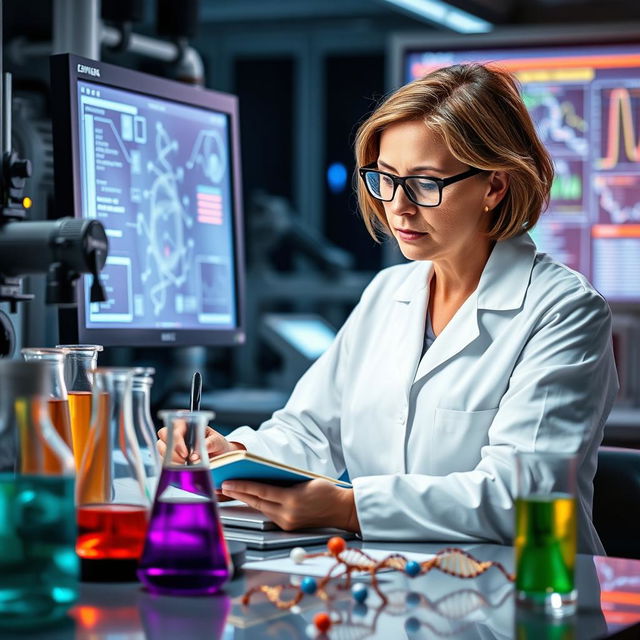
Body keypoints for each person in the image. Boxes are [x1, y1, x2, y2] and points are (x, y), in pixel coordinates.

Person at [158, 63, 618, 553]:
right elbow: (309, 428)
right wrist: (236, 454)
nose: (397, 205)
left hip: (524, 600)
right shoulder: (388, 292)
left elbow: (524, 497)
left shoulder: (564, 310)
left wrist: (348, 507)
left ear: (494, 187)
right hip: (397, 585)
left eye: (424, 183)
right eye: (385, 178)